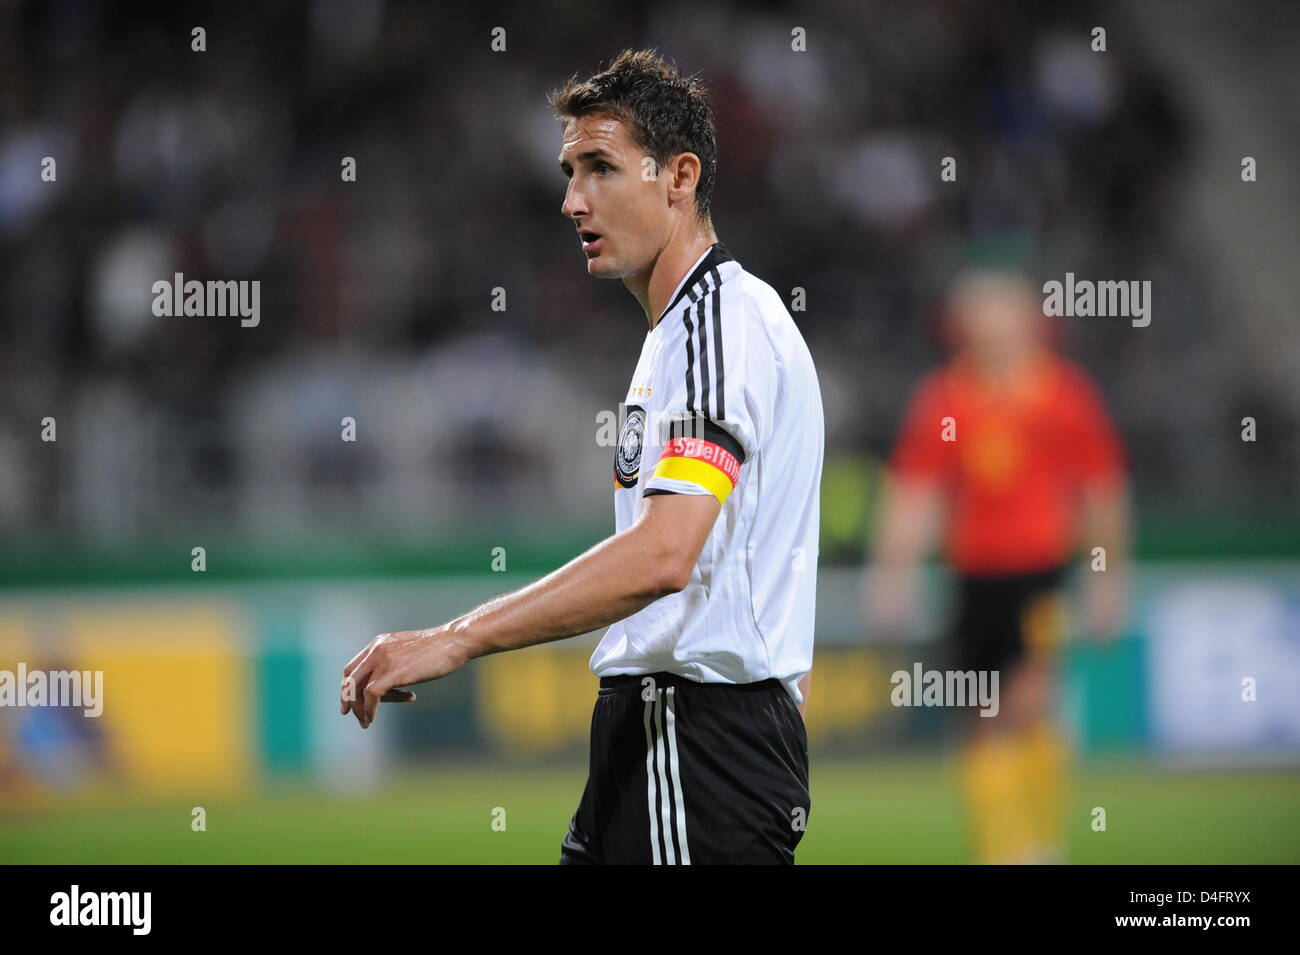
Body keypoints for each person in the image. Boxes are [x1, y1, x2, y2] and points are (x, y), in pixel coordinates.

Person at [340, 49, 825, 865]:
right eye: (569, 172)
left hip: (696, 742)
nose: (572, 200)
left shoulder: (718, 324)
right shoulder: (677, 336)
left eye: (600, 167)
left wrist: (458, 636)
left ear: (679, 176)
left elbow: (666, 555)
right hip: (668, 739)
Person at [866, 269, 1130, 864]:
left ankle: (1039, 841)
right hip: (975, 578)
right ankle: (1004, 848)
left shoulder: (1063, 395)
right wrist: (893, 577)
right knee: (981, 713)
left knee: (1031, 700)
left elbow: (1102, 493)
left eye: (1003, 314)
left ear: (1031, 321)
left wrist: (1109, 581)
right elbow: (915, 495)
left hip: (1040, 573)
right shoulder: (946, 398)